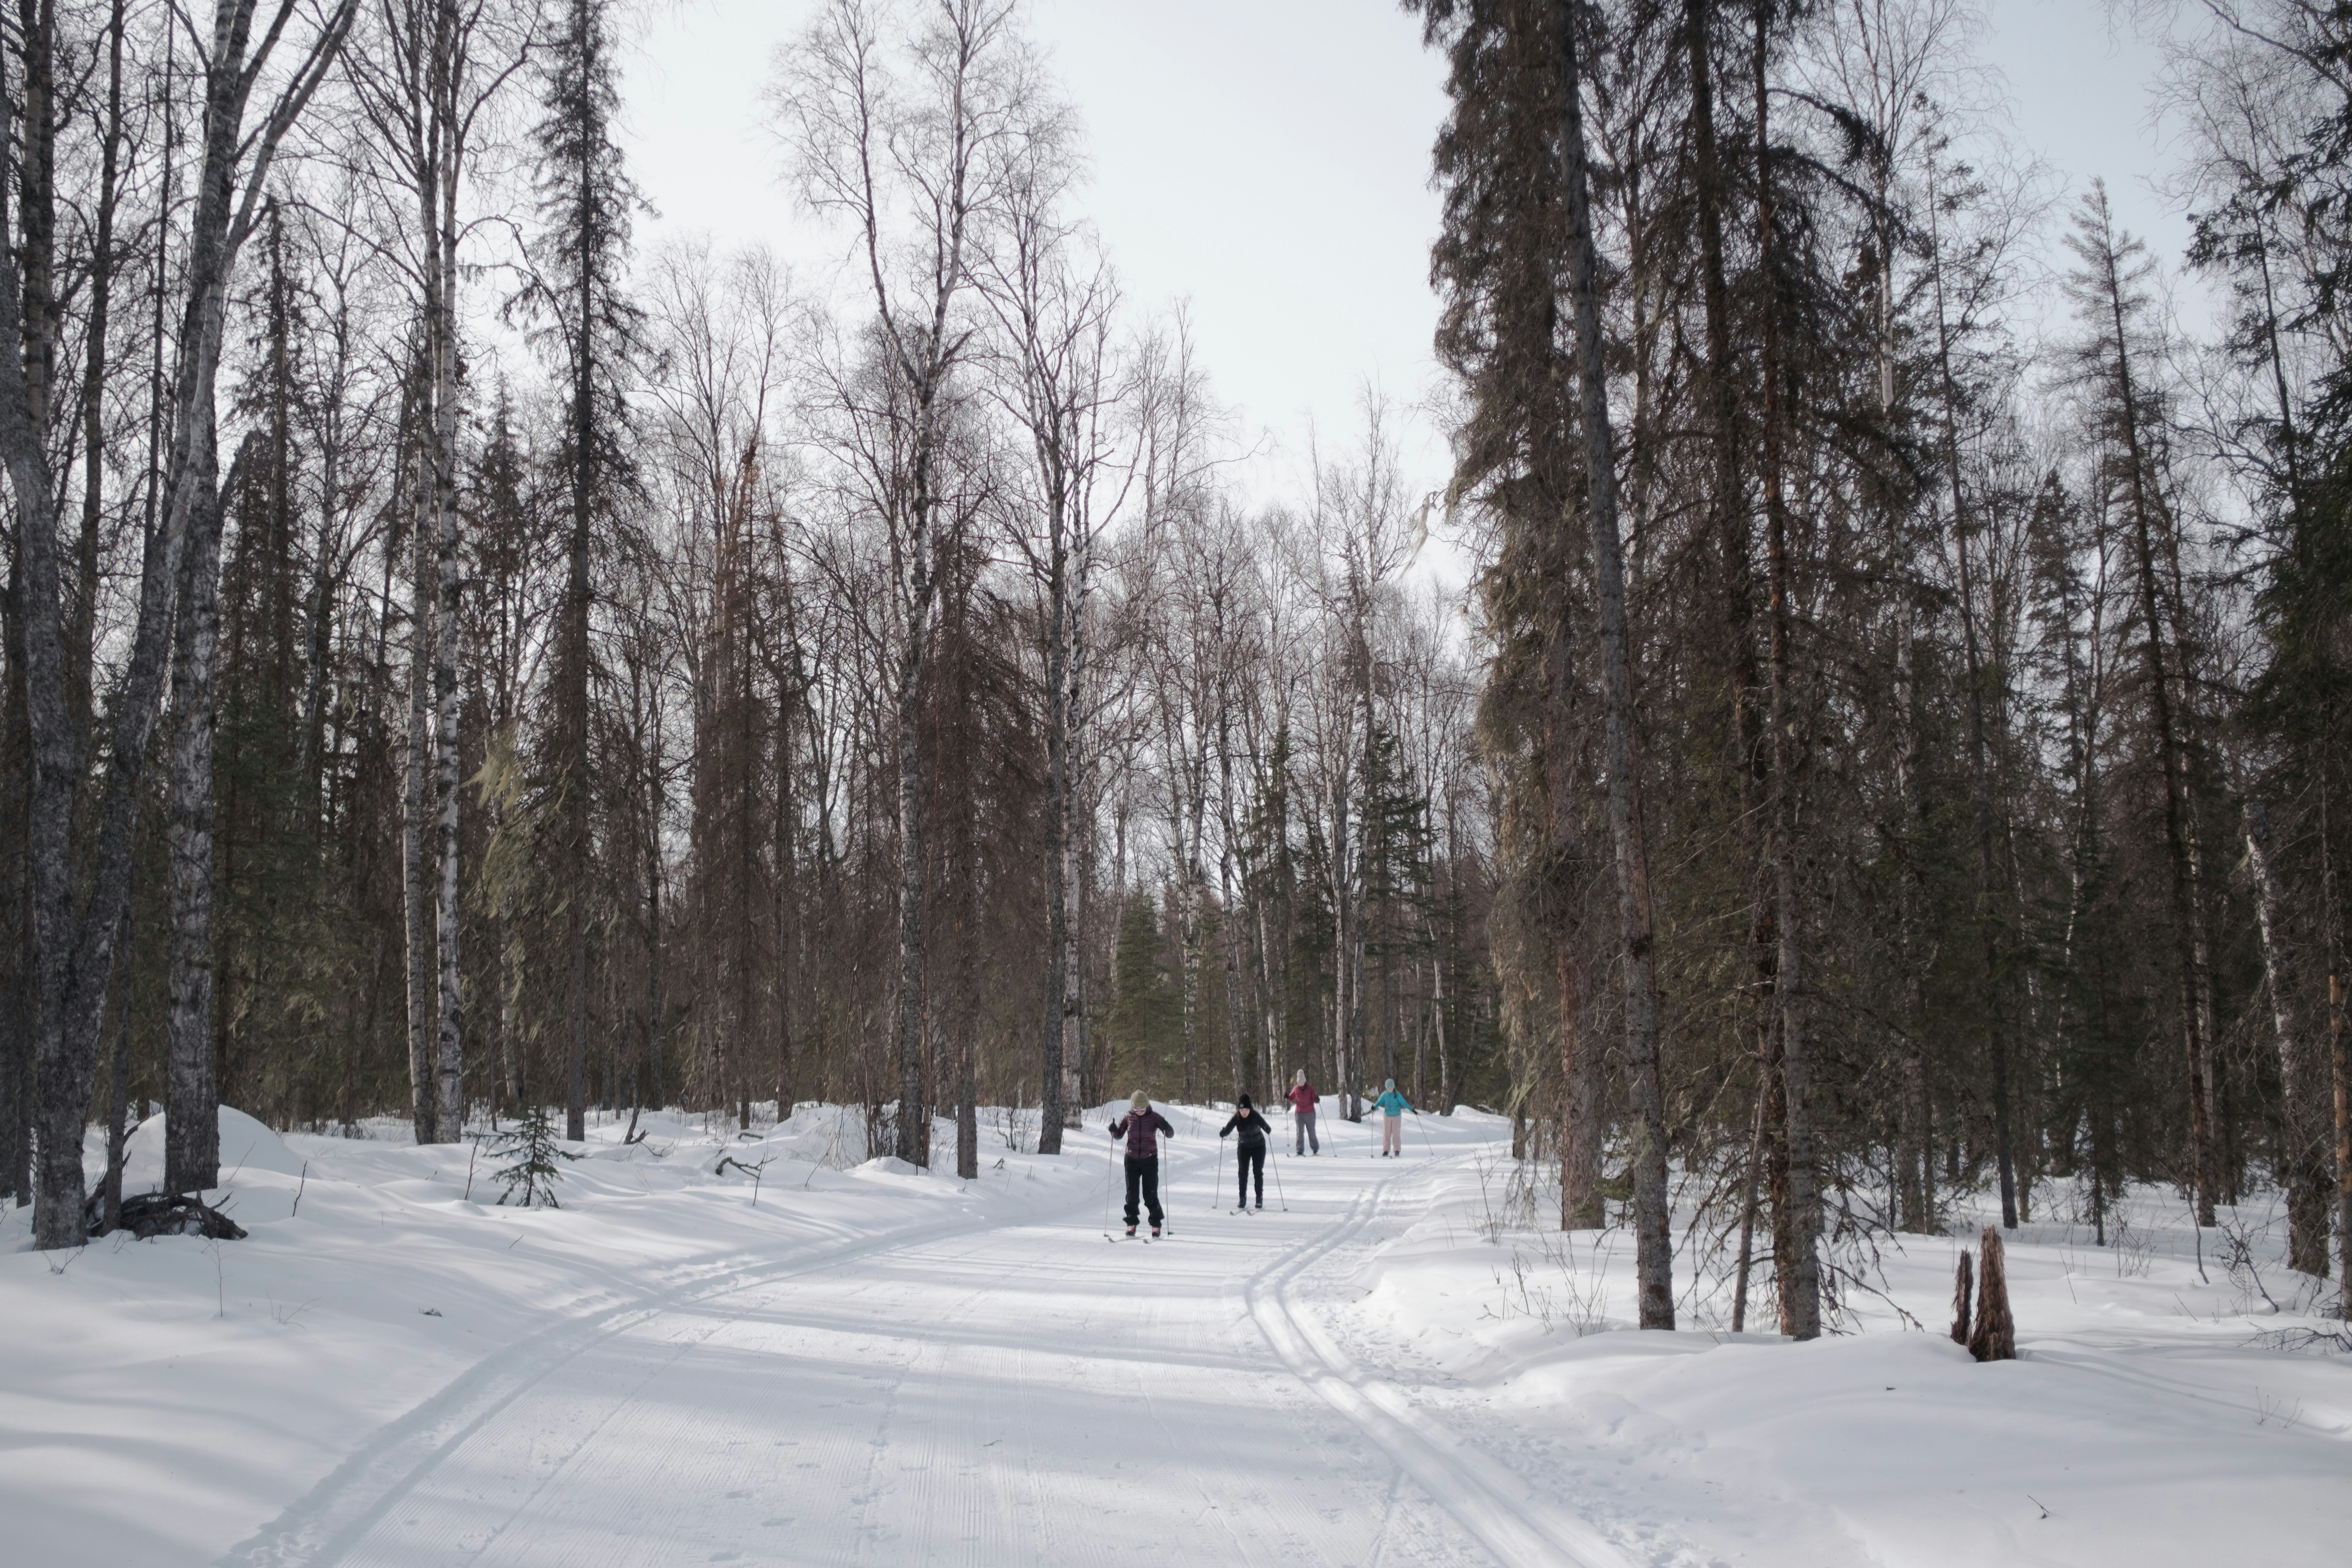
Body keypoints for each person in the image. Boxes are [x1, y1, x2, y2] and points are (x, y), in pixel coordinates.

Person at [1108, 1090, 1175, 1236]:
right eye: (1136, 1109)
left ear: (1147, 1106)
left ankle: (1156, 1224)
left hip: (1150, 1159)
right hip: (1131, 1159)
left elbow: (1170, 1134)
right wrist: (1113, 1130)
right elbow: (1118, 1135)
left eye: (1142, 1109)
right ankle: (1131, 1223)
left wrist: (1167, 1128)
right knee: (1132, 1194)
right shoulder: (1128, 1117)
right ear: (1132, 1107)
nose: (1139, 1112)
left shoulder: (1154, 1117)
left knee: (1150, 1194)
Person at [1219, 1096, 1273, 1210]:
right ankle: (1242, 1198)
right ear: (1239, 1110)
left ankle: (1259, 1198)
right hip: (1244, 1146)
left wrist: (1267, 1129)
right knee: (1243, 1172)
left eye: (1247, 1110)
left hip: (1259, 1146)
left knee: (1258, 1171)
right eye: (1242, 1110)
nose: (1244, 1113)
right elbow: (1229, 1128)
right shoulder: (1237, 1118)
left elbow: (1265, 1125)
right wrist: (1224, 1132)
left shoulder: (1255, 1116)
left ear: (1250, 1110)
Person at [1373, 1078, 1416, 1156]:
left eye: (1391, 1088)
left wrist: (1412, 1110)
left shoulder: (1398, 1095)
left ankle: (1397, 1150)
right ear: (1387, 1088)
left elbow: (1404, 1103)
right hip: (1387, 1116)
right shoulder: (1384, 1095)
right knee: (1387, 1134)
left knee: (1396, 1134)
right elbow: (1379, 1102)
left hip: (1397, 1117)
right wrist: (1374, 1107)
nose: (1390, 1090)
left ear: (1393, 1087)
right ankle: (1386, 1150)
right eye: (1389, 1088)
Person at [1286, 1070, 1321, 1155]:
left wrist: (1317, 1099)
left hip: (1310, 1114)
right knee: (1300, 1133)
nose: (1301, 1085)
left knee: (1311, 1132)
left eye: (1302, 1083)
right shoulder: (1296, 1088)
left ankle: (1315, 1149)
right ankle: (1300, 1151)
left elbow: (1315, 1099)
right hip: (1300, 1114)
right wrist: (1287, 1097)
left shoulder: (1310, 1088)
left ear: (1305, 1081)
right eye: (1299, 1083)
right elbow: (1291, 1098)